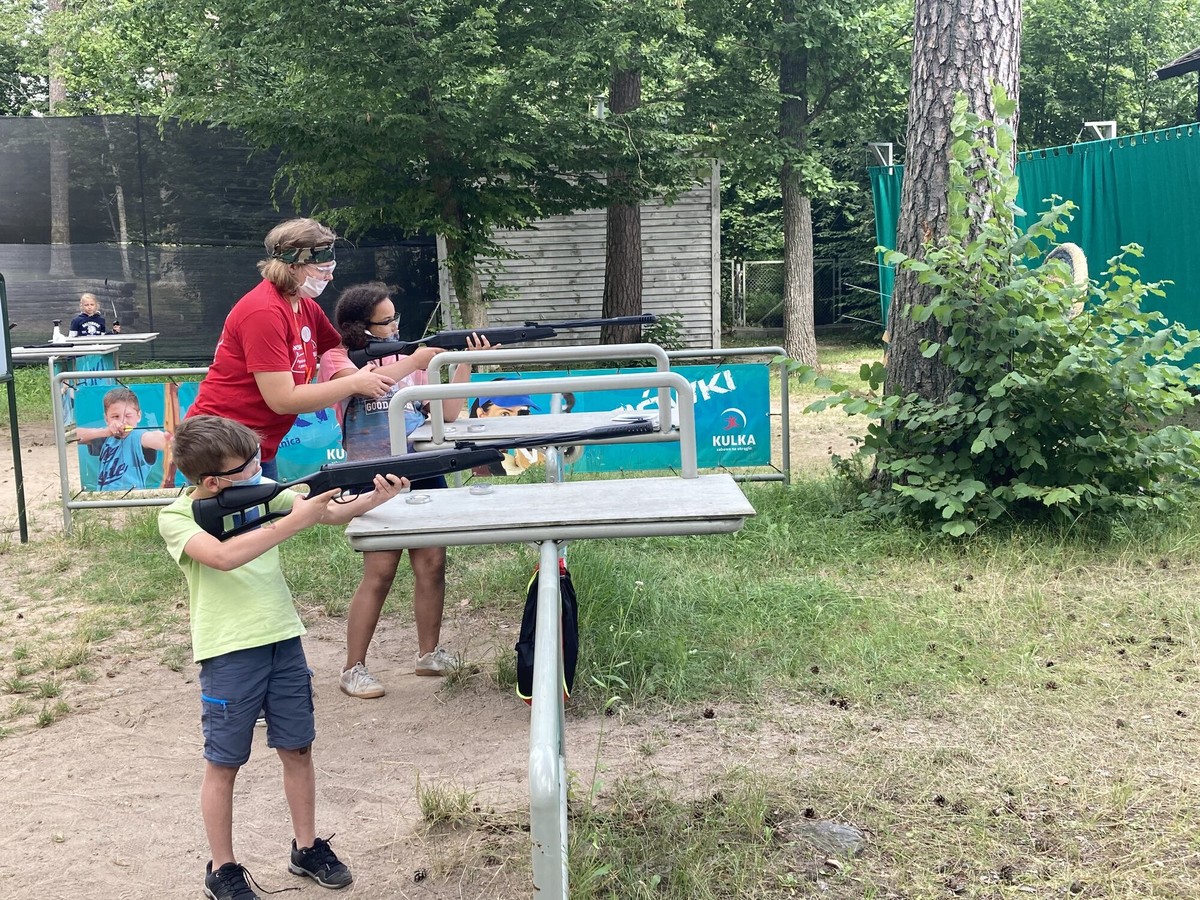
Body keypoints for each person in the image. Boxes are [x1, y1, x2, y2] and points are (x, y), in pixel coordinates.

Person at [158, 414, 408, 900]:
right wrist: (294, 522)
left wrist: (376, 497)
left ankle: (306, 847)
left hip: (283, 638)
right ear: (213, 482)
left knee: (297, 748)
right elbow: (223, 557)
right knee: (224, 762)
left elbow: (327, 512)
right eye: (247, 466)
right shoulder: (176, 517)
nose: (259, 469)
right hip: (228, 650)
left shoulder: (264, 492)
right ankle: (222, 869)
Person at [318, 282, 495, 697]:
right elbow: (367, 384)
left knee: (432, 562)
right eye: (386, 321)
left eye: (395, 317)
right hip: (372, 475)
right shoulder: (337, 359)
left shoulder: (405, 358)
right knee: (380, 571)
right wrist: (414, 359)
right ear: (360, 327)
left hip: (421, 468)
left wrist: (464, 361)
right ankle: (353, 667)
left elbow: (447, 413)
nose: (396, 326)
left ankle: (428, 654)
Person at [184, 218, 394, 480]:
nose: (330, 276)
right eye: (322, 269)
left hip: (254, 443)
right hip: (222, 444)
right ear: (292, 266)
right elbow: (283, 399)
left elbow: (346, 351)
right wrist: (354, 384)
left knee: (269, 508)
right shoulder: (264, 311)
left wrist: (403, 349)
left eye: (331, 268)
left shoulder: (305, 306)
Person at [75, 387, 171, 490]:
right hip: (104, 497)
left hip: (131, 497)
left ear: (139, 416)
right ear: (106, 419)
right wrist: (105, 432)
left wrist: (169, 440)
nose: (122, 422)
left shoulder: (139, 436)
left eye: (128, 416)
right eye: (115, 416)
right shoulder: (106, 437)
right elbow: (74, 436)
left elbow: (157, 438)